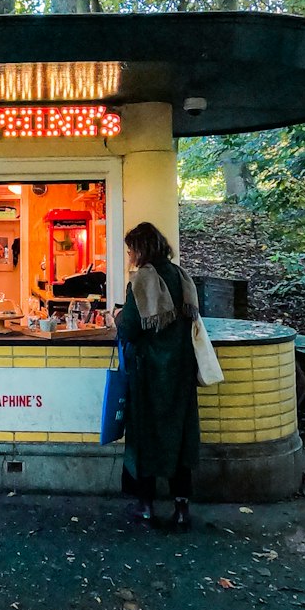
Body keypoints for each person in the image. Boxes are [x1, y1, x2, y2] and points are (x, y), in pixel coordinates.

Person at [114, 222, 200, 530]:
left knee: (145, 437)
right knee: (179, 437)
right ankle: (181, 509)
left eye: (130, 250)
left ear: (141, 249)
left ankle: (147, 507)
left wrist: (118, 316)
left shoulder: (142, 281)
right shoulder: (181, 277)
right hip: (181, 372)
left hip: (149, 372)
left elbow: (129, 329)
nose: (129, 256)